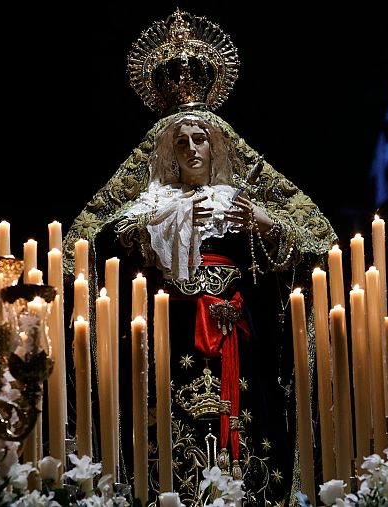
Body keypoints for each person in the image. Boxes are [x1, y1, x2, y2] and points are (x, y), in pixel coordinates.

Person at [63, 10, 337, 505]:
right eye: (181, 141)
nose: (191, 148)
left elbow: (314, 243)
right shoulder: (148, 206)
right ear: (167, 151)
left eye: (200, 139)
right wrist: (138, 232)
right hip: (169, 336)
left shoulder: (239, 200)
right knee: (169, 421)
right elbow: (85, 250)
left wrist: (265, 225)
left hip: (236, 332)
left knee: (245, 415)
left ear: (216, 146)